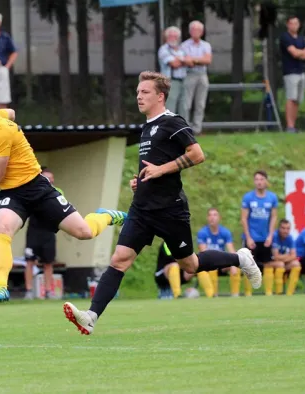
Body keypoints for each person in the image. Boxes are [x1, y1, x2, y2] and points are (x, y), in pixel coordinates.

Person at [62, 71, 262, 335]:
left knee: (190, 265)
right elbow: (152, 166)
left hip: (170, 210)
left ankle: (240, 258)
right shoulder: (146, 128)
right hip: (142, 210)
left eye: (144, 92)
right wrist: (141, 181)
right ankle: (91, 316)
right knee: (119, 259)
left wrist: (160, 170)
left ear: (160, 96)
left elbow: (197, 154)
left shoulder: (172, 122)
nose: (138, 97)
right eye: (137, 92)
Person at [0, 96, 127, 304]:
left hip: (37, 187)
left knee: (85, 232)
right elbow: (11, 113)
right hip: (12, 193)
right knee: (3, 229)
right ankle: (1, 286)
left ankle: (106, 216)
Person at [24, 167, 63, 300]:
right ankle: (28, 291)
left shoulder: (57, 193)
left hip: (49, 232)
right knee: (30, 261)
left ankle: (48, 292)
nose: (50, 182)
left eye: (52, 180)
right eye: (47, 179)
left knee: (48, 263)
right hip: (33, 232)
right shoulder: (31, 192)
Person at [240, 170, 278, 296]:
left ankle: (268, 292)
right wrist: (248, 237)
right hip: (252, 237)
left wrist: (271, 235)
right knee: (248, 263)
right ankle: (248, 292)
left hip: (265, 237)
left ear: (266, 181)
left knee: (267, 264)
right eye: (256, 179)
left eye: (261, 179)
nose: (259, 182)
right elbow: (244, 218)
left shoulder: (272, 198)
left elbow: (273, 217)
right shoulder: (248, 198)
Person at [279, 16, 305, 133]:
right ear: (288, 25)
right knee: (291, 98)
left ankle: (293, 125)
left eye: (296, 23)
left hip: (301, 72)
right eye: (292, 23)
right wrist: (303, 53)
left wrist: (301, 53)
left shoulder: (301, 39)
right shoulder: (285, 37)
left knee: (297, 100)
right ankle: (289, 126)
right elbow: (293, 53)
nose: (294, 26)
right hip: (290, 72)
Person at [197, 208, 241, 297]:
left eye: (214, 215)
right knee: (202, 271)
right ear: (207, 218)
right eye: (210, 215)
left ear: (219, 218)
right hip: (208, 262)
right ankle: (212, 295)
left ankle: (235, 295)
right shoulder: (202, 233)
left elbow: (231, 250)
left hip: (221, 262)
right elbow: (204, 252)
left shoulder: (225, 232)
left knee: (236, 266)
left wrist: (233, 263)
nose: (212, 217)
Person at [271, 219, 302, 296]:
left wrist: (283, 258)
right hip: (270, 263)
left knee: (296, 264)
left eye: (288, 228)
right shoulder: (274, 236)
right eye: (283, 228)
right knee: (280, 264)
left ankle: (290, 293)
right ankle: (278, 293)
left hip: (283, 263)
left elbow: (294, 256)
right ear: (279, 228)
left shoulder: (290, 238)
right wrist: (287, 256)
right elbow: (275, 257)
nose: (285, 231)